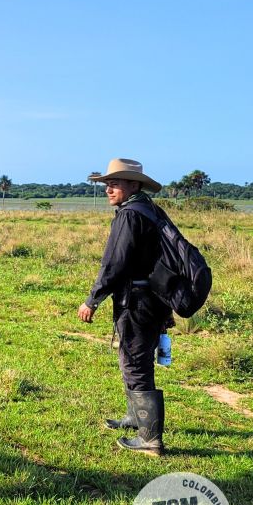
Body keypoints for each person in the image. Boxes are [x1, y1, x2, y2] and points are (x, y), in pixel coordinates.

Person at [81, 159, 173, 456]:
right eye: (108, 183)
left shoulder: (130, 216)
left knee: (135, 362)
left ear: (134, 184)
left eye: (115, 183)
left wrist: (92, 299)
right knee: (136, 358)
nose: (109, 189)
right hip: (153, 299)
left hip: (137, 301)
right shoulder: (150, 210)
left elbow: (114, 264)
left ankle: (150, 439)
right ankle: (136, 417)